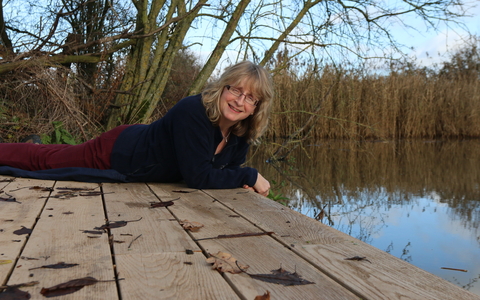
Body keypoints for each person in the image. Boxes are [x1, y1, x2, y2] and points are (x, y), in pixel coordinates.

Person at [0, 61, 273, 196]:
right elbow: (199, 176)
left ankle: (29, 145)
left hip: (140, 154)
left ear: (257, 106)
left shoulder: (241, 133)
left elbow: (227, 171)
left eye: (250, 97)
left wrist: (241, 178)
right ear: (223, 87)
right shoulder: (194, 111)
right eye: (236, 90)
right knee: (47, 160)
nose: (240, 101)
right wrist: (248, 176)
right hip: (119, 151)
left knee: (57, 153)